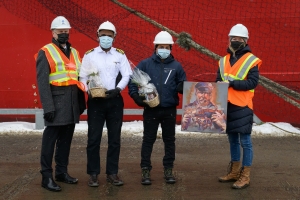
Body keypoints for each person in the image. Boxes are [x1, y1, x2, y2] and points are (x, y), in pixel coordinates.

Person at [128, 31, 187, 185]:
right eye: (161, 46)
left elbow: (184, 85)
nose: (164, 49)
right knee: (148, 140)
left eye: (166, 47)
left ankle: (168, 170)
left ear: (171, 49)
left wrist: (182, 87)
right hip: (151, 109)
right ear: (155, 47)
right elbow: (133, 81)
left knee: (169, 141)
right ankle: (145, 170)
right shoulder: (145, 64)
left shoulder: (177, 66)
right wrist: (136, 97)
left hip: (169, 110)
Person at [35, 16, 86, 192]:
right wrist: (48, 106)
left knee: (65, 141)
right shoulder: (45, 52)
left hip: (71, 104)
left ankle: (61, 172)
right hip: (55, 105)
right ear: (53, 32)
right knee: (49, 142)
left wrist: (80, 101)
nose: (64, 34)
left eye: (66, 31)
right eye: (60, 31)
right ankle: (46, 176)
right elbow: (42, 82)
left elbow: (77, 77)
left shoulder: (75, 52)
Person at [79, 21, 132, 187]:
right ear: (97, 36)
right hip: (96, 102)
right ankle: (93, 174)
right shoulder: (90, 55)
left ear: (114, 37)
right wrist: (89, 90)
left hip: (115, 101)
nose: (106, 38)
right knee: (93, 139)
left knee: (114, 139)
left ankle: (112, 173)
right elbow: (82, 77)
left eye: (109, 35)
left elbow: (126, 75)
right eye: (103, 35)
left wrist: (118, 89)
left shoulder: (120, 55)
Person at [216, 24, 262, 189]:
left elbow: (252, 82)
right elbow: (217, 82)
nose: (236, 41)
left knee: (245, 142)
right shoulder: (223, 61)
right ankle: (234, 172)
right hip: (227, 106)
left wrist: (232, 83)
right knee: (233, 140)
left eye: (239, 38)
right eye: (233, 38)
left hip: (243, 106)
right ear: (229, 39)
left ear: (245, 40)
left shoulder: (251, 60)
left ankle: (245, 176)